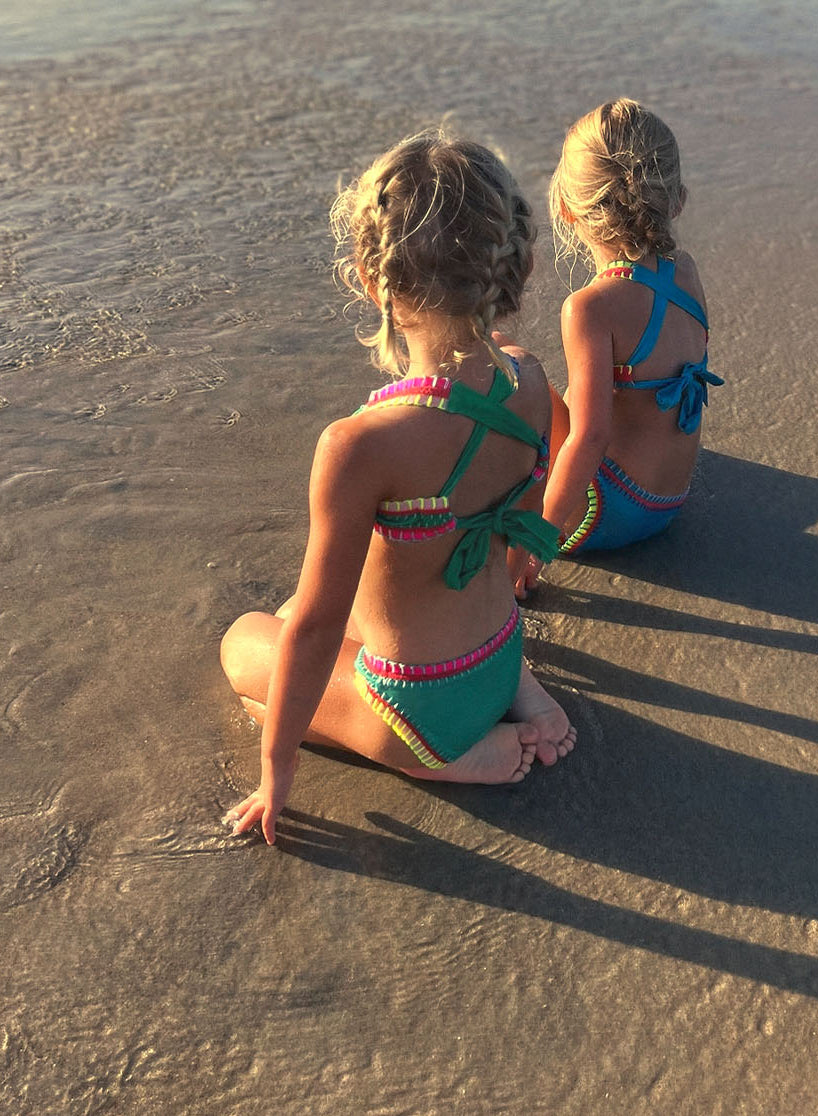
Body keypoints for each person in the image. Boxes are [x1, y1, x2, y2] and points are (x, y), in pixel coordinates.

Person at [222, 132, 576, 845]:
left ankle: (445, 758)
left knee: (244, 647)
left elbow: (319, 629)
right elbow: (522, 521)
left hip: (419, 709)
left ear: (367, 274)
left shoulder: (360, 444)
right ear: (514, 260)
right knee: (310, 609)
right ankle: (517, 693)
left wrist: (276, 768)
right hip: (500, 651)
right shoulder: (529, 380)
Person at [514, 98, 722, 591]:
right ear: (677, 200)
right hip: (669, 501)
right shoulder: (685, 271)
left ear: (565, 208)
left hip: (604, 515)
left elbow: (590, 439)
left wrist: (533, 549)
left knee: (512, 363)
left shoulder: (590, 307)